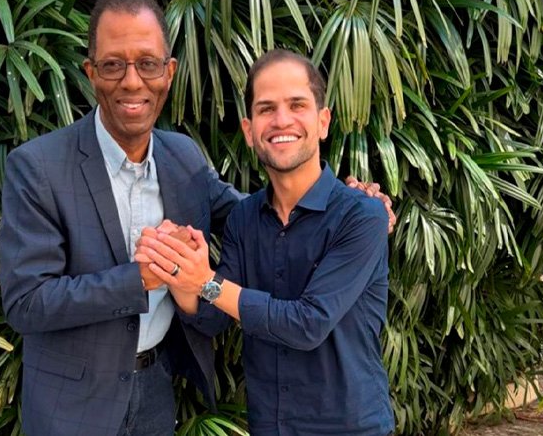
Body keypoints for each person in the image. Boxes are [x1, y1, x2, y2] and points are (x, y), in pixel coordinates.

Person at [0, 0, 394, 435]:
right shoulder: (38, 167)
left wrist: (351, 205)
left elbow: (260, 213)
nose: (132, 81)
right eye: (113, 65)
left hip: (155, 389)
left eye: (148, 64)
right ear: (91, 72)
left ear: (169, 73)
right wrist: (141, 278)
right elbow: (26, 303)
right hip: (73, 407)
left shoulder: (182, 158)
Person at [137, 49, 395, 436]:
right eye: (266, 109)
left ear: (323, 121)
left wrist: (204, 281)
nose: (282, 120)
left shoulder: (362, 216)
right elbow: (212, 316)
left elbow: (308, 323)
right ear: (249, 130)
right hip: (270, 424)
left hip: (349, 426)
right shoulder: (244, 218)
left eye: (297, 105)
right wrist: (177, 265)